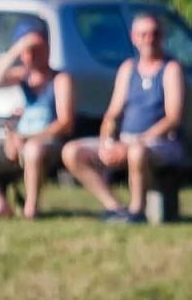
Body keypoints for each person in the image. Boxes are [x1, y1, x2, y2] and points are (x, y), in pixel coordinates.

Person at [61, 13, 185, 224]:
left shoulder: (171, 69)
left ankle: (137, 210)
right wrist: (107, 143)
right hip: (126, 139)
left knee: (137, 152)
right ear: (134, 38)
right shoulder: (128, 68)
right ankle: (115, 207)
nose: (149, 39)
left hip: (161, 142)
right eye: (143, 34)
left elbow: (173, 118)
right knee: (71, 152)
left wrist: (137, 141)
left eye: (154, 34)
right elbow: (112, 113)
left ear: (162, 37)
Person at [0, 25, 75, 219]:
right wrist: (17, 49)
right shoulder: (23, 76)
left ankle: (31, 209)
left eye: (38, 49)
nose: (33, 55)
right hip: (17, 139)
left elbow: (65, 122)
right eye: (28, 51)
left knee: (33, 150)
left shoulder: (59, 79)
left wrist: (27, 138)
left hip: (46, 141)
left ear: (48, 49)